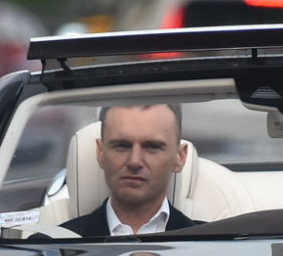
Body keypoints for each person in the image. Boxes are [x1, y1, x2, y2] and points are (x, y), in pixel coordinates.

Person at [60, 102, 201, 238]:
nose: (134, 161)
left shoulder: (211, 245)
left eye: (152, 147)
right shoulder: (54, 248)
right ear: (101, 152)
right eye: (122, 145)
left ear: (180, 157)